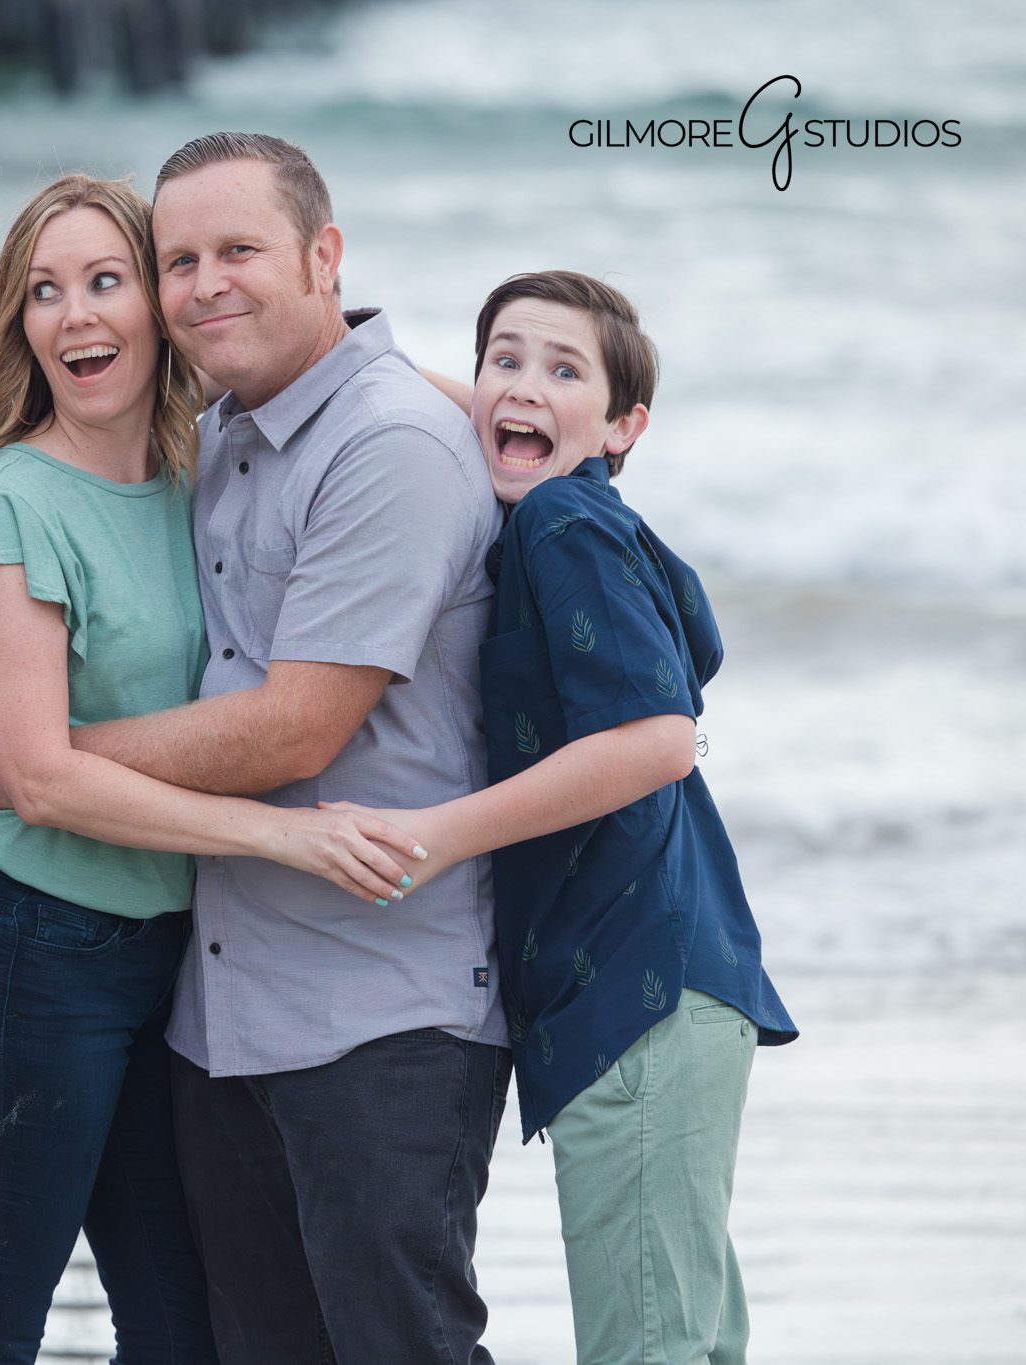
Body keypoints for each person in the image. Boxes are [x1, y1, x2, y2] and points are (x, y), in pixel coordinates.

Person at [0, 134, 511, 1364]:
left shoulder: (338, 441)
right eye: (180, 259)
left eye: (233, 251)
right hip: (173, 984)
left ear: (323, 257)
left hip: (362, 998)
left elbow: (296, 723)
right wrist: (35, 762)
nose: (203, 284)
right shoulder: (204, 443)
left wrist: (46, 756)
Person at [371, 270, 798, 1363]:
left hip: (634, 991)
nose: (521, 387)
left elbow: (655, 741)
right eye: (500, 362)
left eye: (565, 371)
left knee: (647, 1345)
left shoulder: (560, 519)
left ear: (623, 427)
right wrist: (364, 358)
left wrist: (436, 836)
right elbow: (485, 407)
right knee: (690, 1337)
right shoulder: (589, 516)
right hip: (668, 981)